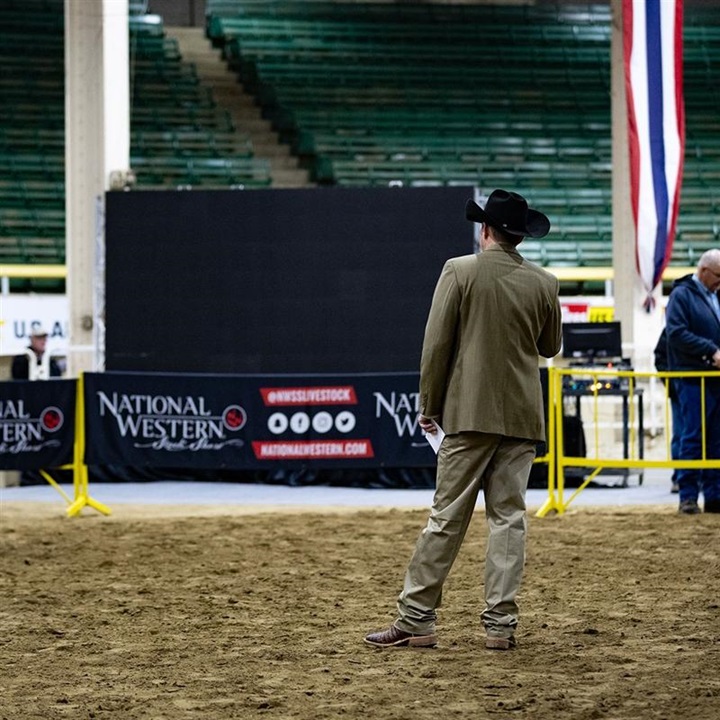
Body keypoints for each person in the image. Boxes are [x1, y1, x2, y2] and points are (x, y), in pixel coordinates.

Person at [364, 189, 562, 651]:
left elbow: (436, 346)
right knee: (508, 520)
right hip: (521, 418)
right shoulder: (545, 282)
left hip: (468, 415)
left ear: (485, 230)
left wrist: (428, 406)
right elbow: (549, 347)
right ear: (520, 236)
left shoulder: (459, 270)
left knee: (446, 517)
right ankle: (500, 627)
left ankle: (415, 619)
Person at [665, 248, 720, 514]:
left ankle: (714, 496)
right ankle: (687, 496)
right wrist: (710, 349)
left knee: (716, 438)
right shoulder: (681, 295)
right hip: (690, 378)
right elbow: (676, 333)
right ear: (704, 271)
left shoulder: (715, 295)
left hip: (714, 378)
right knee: (693, 436)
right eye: (718, 275)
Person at [653, 326, 681, 493]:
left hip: (706, 390)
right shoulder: (671, 330)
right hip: (680, 391)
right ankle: (679, 477)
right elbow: (659, 357)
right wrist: (671, 384)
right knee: (681, 435)